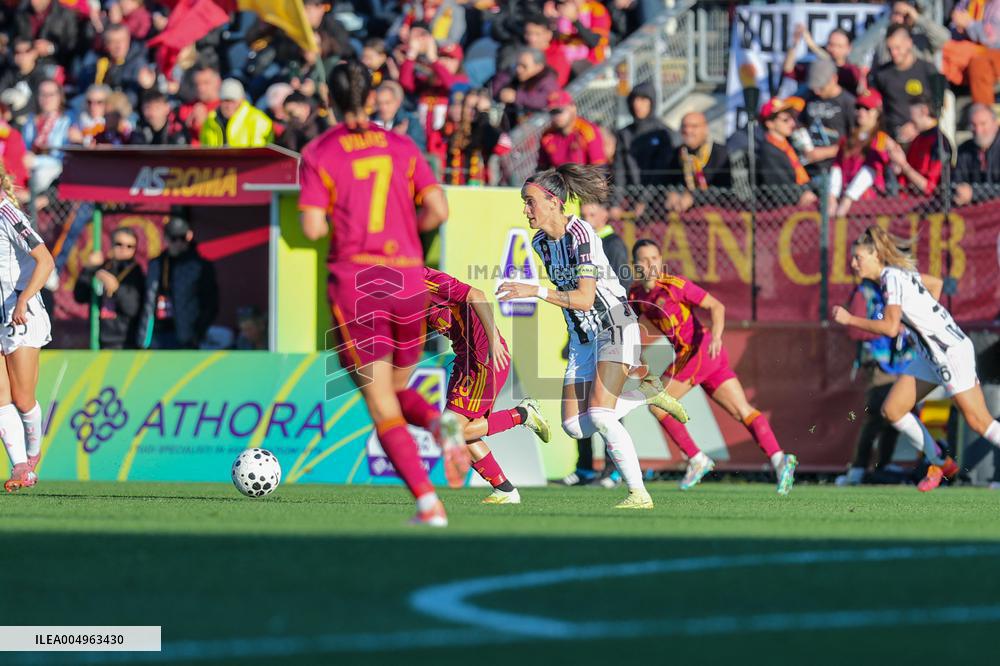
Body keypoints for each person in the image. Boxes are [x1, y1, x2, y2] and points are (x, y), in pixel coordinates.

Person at [298, 60, 460, 527]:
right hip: (409, 280)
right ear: (371, 99)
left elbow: (311, 227)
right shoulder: (403, 146)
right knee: (397, 387)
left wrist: (339, 223)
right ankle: (439, 424)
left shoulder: (320, 152)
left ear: (328, 99)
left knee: (380, 401)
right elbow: (439, 209)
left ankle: (428, 503)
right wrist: (405, 231)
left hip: (358, 282)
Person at [496, 164, 688, 509]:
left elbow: (585, 297)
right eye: (525, 202)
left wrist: (534, 290)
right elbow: (572, 299)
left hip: (613, 323)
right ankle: (646, 393)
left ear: (554, 202)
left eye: (530, 202)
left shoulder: (582, 233)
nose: (525, 209)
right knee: (574, 426)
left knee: (601, 415)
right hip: (583, 336)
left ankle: (638, 493)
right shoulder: (540, 242)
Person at [832, 225, 1000, 491]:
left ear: (876, 256)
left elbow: (888, 327)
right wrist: (920, 320)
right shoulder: (898, 274)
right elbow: (935, 284)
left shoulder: (891, 277)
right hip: (930, 353)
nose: (853, 263)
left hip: (948, 352)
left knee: (979, 422)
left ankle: (941, 462)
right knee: (893, 410)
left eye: (858, 258)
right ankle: (941, 462)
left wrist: (850, 319)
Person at [629, 239, 799, 494]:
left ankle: (697, 459)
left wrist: (718, 337)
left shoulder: (675, 285)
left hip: (700, 350)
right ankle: (779, 459)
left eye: (654, 258)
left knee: (657, 403)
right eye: (644, 260)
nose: (650, 264)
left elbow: (716, 306)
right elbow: (629, 323)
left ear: (661, 260)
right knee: (743, 411)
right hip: (704, 357)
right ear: (634, 266)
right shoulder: (637, 295)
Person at [410, 267, 551, 504]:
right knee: (458, 433)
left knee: (451, 432)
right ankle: (504, 490)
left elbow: (476, 294)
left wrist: (494, 340)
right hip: (465, 361)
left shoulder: (421, 278)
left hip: (483, 359)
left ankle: (523, 414)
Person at [565, 199, 632, 487]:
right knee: (581, 403)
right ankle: (584, 467)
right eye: (583, 215)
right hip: (583, 327)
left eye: (592, 214)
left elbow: (618, 286)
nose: (587, 219)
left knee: (606, 401)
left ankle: (613, 469)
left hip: (609, 326)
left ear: (606, 214)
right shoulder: (577, 241)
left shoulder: (612, 243)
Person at [0, 161, 55, 492]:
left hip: (21, 310)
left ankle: (32, 456)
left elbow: (45, 260)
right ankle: (21, 467)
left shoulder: (9, 215)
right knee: (0, 397)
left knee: (22, 398)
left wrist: (23, 300)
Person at [835, 277, 912, 486]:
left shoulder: (901, 286)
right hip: (879, 363)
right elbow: (855, 330)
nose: (854, 264)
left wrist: (906, 329)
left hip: (905, 363)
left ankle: (884, 465)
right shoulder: (865, 292)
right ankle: (858, 468)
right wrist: (886, 327)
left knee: (899, 415)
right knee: (876, 414)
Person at [137, 217, 218, 350]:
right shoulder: (156, 264)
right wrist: (142, 336)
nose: (178, 243)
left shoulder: (200, 265)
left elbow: (211, 304)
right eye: (174, 238)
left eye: (182, 238)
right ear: (166, 238)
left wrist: (197, 333)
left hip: (186, 335)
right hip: (155, 333)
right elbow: (146, 300)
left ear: (189, 236)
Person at [72, 227, 145, 350]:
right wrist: (88, 269)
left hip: (124, 341)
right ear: (111, 244)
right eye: (119, 244)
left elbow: (132, 308)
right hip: (98, 338)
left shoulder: (136, 272)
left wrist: (116, 288)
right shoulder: (103, 266)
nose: (124, 249)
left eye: (129, 246)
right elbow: (79, 296)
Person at [830, 90, 894, 218]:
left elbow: (872, 169)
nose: (861, 112)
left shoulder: (882, 139)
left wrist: (849, 197)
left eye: (867, 108)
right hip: (842, 201)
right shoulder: (848, 138)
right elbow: (837, 167)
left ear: (877, 112)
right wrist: (831, 196)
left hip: (868, 204)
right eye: (858, 107)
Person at [868, 24, 937, 143]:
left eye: (897, 48)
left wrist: (916, 126)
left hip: (923, 136)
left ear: (909, 43)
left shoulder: (928, 70)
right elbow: (877, 107)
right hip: (891, 137)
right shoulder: (882, 74)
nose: (894, 53)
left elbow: (940, 106)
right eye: (890, 49)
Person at [663, 111, 731, 213]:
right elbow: (666, 182)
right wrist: (671, 194)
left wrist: (694, 197)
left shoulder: (720, 153)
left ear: (705, 129)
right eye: (684, 126)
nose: (688, 130)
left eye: (694, 126)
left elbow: (725, 191)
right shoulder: (674, 154)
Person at [756, 97, 817, 207]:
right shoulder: (769, 151)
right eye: (785, 120)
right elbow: (780, 189)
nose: (792, 123)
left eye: (792, 118)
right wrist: (803, 194)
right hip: (787, 210)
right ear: (769, 123)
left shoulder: (787, 145)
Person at [799, 57, 856, 173]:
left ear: (834, 79)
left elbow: (855, 141)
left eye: (821, 87)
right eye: (814, 87)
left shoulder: (848, 102)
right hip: (809, 169)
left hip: (836, 169)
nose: (817, 91)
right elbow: (800, 125)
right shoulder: (809, 97)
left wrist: (826, 152)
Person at [887, 94, 950, 196]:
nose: (910, 122)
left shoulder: (939, 143)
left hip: (927, 207)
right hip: (908, 201)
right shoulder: (918, 139)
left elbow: (930, 188)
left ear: (924, 111)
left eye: (912, 118)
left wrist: (903, 165)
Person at [613, 83, 672, 189]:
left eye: (643, 99)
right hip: (630, 196)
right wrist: (615, 203)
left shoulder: (663, 133)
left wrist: (644, 200)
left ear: (652, 102)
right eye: (634, 99)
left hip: (659, 197)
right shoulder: (624, 134)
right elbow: (619, 171)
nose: (637, 104)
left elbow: (661, 170)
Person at [782, 25, 862, 95]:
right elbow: (788, 70)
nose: (834, 50)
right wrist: (795, 44)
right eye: (831, 44)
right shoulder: (816, 67)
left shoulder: (853, 71)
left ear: (849, 48)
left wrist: (812, 46)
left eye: (839, 46)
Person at [492, 46, 561, 126]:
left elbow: (545, 100)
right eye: (517, 65)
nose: (519, 69)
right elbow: (495, 89)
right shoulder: (514, 75)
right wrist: (508, 74)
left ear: (538, 67)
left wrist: (516, 96)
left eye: (524, 66)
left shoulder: (547, 81)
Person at [537, 90, 606, 169]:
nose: (556, 116)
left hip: (586, 179)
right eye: (552, 112)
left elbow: (600, 167)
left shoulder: (587, 130)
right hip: (562, 179)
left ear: (573, 108)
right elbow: (541, 168)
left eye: (559, 111)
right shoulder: (547, 136)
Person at [941, 0, 1000, 90]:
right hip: (963, 47)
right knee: (943, 51)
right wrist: (958, 27)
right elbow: (954, 22)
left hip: (989, 51)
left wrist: (969, 25)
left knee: (949, 51)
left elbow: (993, 39)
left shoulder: (997, 5)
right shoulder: (967, 2)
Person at [199, 78, 274, 147]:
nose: (228, 106)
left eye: (232, 101)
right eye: (225, 100)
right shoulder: (210, 121)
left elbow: (261, 154)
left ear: (241, 100)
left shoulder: (259, 121)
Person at [954, 103, 1000, 205]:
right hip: (973, 214)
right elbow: (957, 181)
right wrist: (960, 192)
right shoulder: (964, 150)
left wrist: (974, 193)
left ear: (995, 123)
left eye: (983, 124)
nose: (978, 130)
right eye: (973, 125)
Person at [373, 80, 427, 150]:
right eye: (379, 103)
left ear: (397, 103)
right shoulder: (369, 121)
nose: (383, 108)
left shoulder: (411, 122)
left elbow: (418, 150)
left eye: (387, 103)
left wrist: (400, 139)